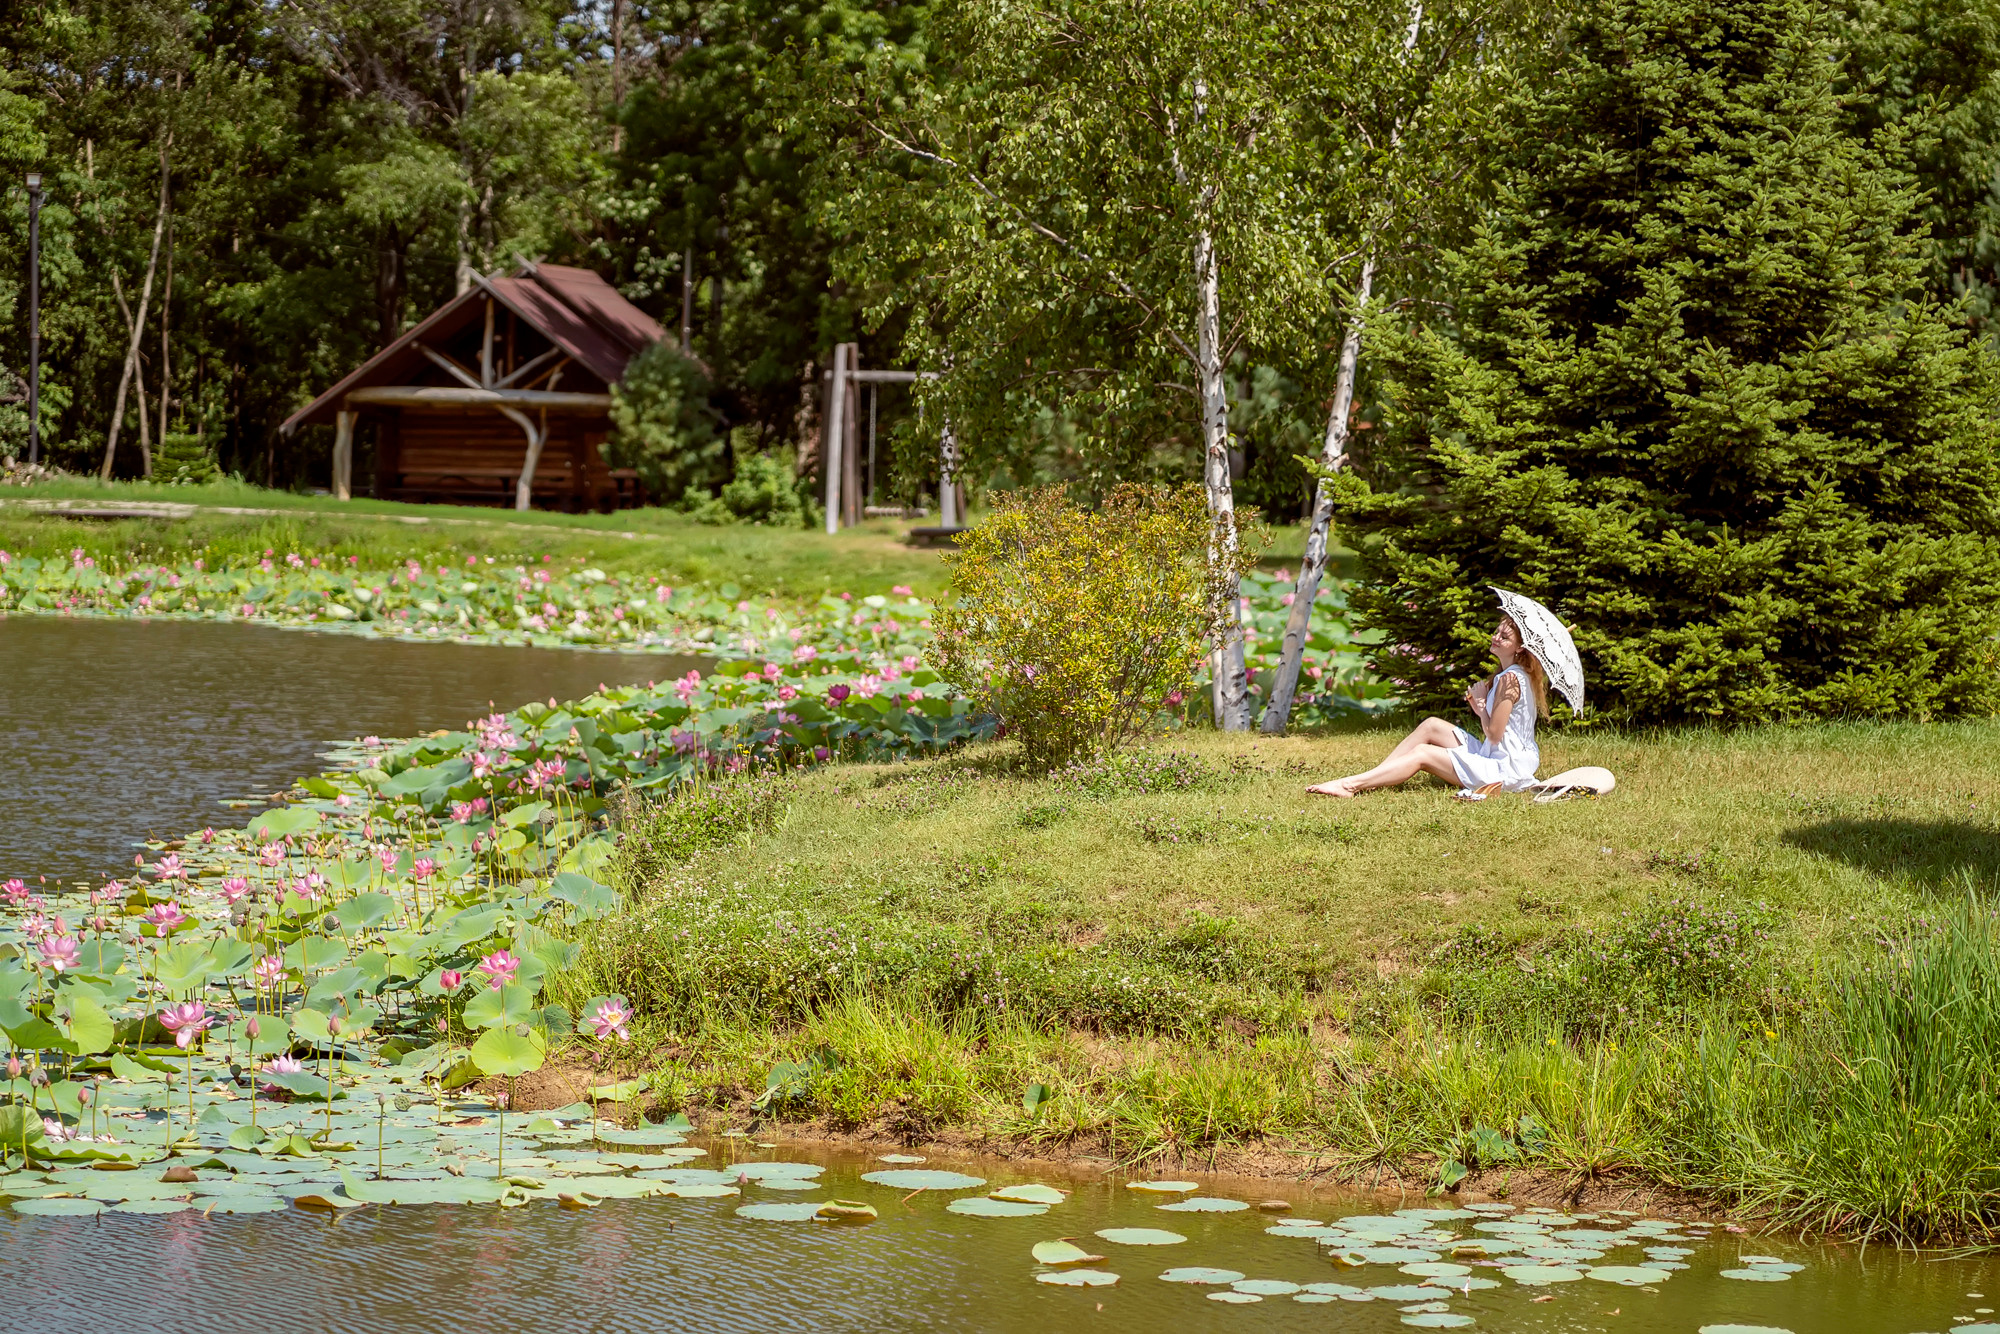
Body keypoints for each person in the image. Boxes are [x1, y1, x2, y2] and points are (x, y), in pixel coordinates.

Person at [1307, 616, 1550, 798]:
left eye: (1505, 637)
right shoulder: (1513, 674)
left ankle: (1349, 785)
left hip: (1504, 770)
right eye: (1497, 632)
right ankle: (1378, 776)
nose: (1496, 637)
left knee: (1423, 753)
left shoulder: (1510, 679)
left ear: (1520, 647)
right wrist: (1482, 704)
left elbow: (1495, 734)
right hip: (1499, 756)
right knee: (1432, 725)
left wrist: (1480, 708)